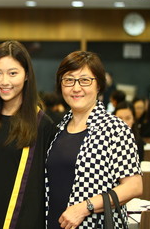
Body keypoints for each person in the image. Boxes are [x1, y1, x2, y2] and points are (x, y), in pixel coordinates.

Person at [45, 51, 142, 228]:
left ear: (99, 85)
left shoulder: (115, 128)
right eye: (68, 80)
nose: (76, 88)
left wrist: (85, 207)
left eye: (84, 80)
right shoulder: (58, 128)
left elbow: (134, 186)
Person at [0, 41, 56, 228]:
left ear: (26, 76)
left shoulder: (41, 124)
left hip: (21, 221)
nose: (4, 82)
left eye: (13, 73)